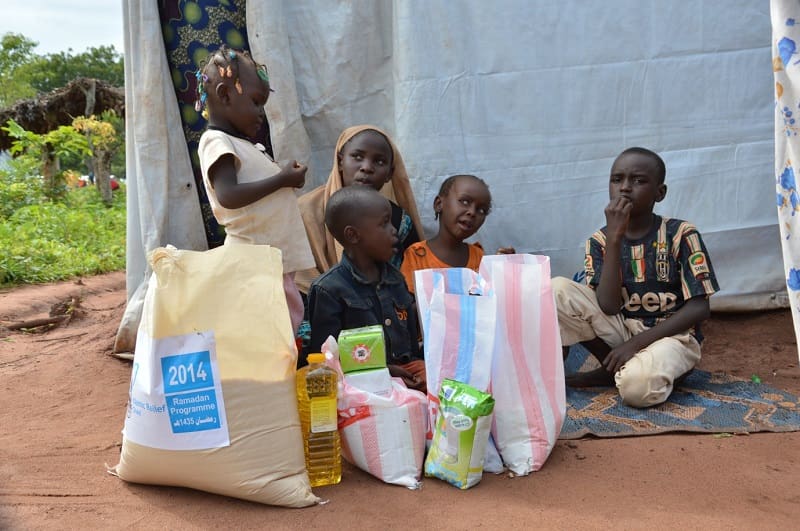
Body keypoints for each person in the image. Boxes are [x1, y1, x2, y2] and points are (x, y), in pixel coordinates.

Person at [553, 147, 719, 408]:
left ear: (660, 192)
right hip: (621, 328)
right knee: (556, 290)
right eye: (617, 179)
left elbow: (700, 307)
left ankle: (644, 370)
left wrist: (636, 344)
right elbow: (608, 306)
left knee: (635, 390)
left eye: (639, 181)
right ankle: (613, 367)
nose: (625, 188)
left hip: (672, 337)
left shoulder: (681, 234)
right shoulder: (599, 240)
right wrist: (615, 238)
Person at [195, 46, 314, 334]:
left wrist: (286, 178)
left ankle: (277, 376)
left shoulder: (245, 146)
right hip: (253, 263)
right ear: (224, 95)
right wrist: (281, 180)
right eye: (256, 102)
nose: (262, 113)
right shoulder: (216, 141)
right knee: (267, 333)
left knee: (281, 330)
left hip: (269, 262)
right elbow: (228, 195)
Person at [306, 186, 425, 391]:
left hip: (408, 392)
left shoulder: (396, 279)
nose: (394, 230)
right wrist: (383, 370)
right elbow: (326, 361)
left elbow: (412, 347)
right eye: (384, 223)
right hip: (362, 394)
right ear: (353, 235)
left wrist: (420, 368)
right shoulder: (328, 290)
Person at [296, 125, 424, 293]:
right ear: (340, 161)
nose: (367, 167)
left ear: (389, 174)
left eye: (379, 161)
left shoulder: (399, 221)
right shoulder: (305, 211)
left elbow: (412, 279)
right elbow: (294, 281)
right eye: (357, 157)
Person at [400, 174, 513, 293]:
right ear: (439, 204)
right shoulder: (417, 256)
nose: (472, 212)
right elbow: (407, 306)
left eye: (481, 210)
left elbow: (488, 300)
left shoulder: (478, 257)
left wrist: (500, 270)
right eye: (464, 202)